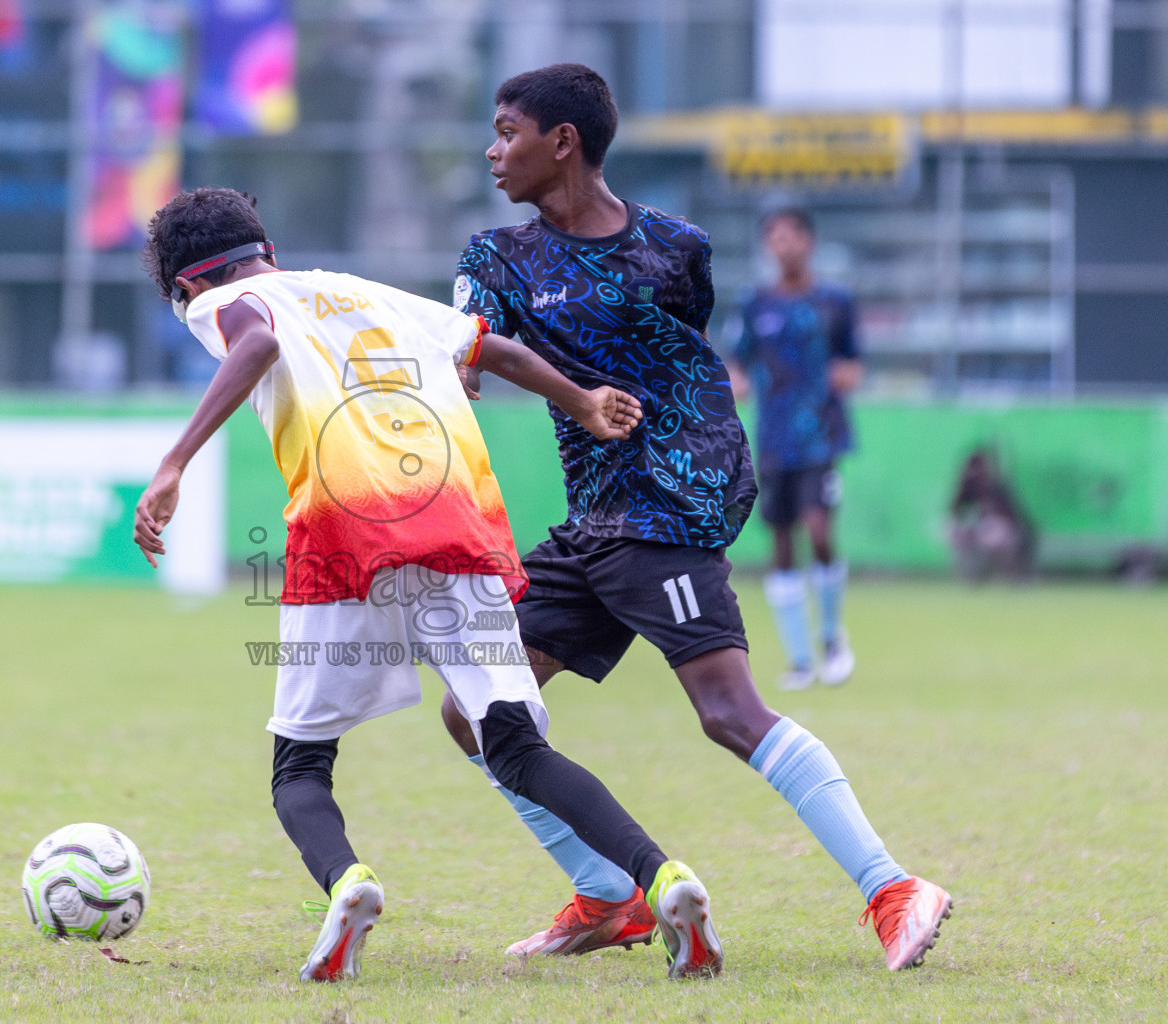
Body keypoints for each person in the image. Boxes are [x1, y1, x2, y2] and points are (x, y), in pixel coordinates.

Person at [133, 186, 724, 983]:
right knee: (515, 746)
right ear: (263, 244)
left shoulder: (228, 300)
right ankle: (661, 878)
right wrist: (581, 401)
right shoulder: (362, 292)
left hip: (345, 533)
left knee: (299, 766)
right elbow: (493, 351)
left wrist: (172, 462)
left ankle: (348, 883)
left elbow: (254, 345)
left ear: (186, 285)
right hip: (460, 526)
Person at [443, 64, 951, 972]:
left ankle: (892, 886)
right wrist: (467, 374)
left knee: (727, 711)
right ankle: (607, 896)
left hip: (667, 511)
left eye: (507, 130)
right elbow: (477, 349)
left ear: (562, 141)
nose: (492, 149)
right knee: (473, 706)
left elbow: (686, 369)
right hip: (592, 523)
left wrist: (694, 473)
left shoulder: (677, 246)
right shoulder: (495, 258)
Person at [728, 208, 862, 690]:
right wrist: (735, 383)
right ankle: (800, 660)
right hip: (774, 438)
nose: (782, 245)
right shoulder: (755, 303)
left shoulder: (835, 301)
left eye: (791, 236)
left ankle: (831, 639)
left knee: (819, 529)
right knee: (782, 544)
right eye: (774, 238)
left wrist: (848, 374)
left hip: (821, 435)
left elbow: (852, 358)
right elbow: (738, 362)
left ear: (808, 240)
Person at [948, 447, 1036, 581]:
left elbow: (1011, 518)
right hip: (976, 531)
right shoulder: (967, 488)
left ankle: (1013, 575)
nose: (976, 471)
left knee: (1000, 539)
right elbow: (956, 512)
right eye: (973, 467)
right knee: (958, 536)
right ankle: (970, 577)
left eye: (980, 467)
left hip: (1003, 532)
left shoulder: (997, 487)